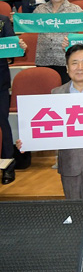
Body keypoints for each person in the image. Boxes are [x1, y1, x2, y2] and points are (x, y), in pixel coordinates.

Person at [17, 45, 83, 206]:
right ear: (66, 67)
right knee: (75, 213)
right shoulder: (56, 93)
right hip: (70, 165)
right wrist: (28, 139)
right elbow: (48, 126)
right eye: (74, 63)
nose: (79, 68)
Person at [34, 0, 83, 84]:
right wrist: (17, 20)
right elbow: (29, 25)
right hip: (44, 58)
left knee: (66, 92)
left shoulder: (75, 9)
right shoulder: (39, 10)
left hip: (65, 59)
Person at [0, 15, 26, 184]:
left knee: (2, 121)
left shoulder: (2, 20)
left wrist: (19, 46)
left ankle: (8, 166)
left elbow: (11, 45)